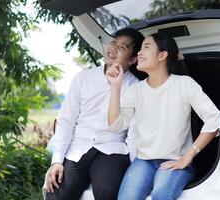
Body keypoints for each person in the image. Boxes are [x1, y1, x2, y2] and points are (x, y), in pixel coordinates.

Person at [106, 33, 220, 200]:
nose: (139, 52)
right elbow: (115, 125)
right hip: (144, 161)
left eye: (146, 47)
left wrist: (187, 157)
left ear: (162, 55)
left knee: (161, 195)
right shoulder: (135, 91)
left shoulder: (185, 84)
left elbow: (214, 120)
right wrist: (115, 86)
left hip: (176, 160)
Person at [45, 28, 145, 200]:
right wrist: (57, 161)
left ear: (133, 59)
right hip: (77, 148)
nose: (113, 48)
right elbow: (66, 120)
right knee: (56, 193)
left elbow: (133, 135)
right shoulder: (83, 78)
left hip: (111, 150)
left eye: (121, 47)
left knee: (108, 192)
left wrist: (133, 170)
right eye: (113, 42)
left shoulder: (137, 88)